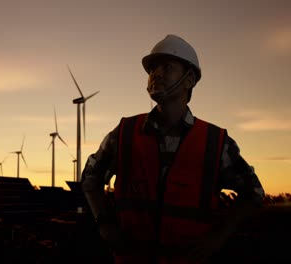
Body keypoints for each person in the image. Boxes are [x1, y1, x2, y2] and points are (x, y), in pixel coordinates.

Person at [81, 34, 265, 264]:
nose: (156, 74)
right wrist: (104, 223)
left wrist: (218, 238)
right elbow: (90, 177)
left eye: (167, 67)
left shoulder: (215, 142)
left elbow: (253, 193)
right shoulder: (125, 132)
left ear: (189, 80)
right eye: (152, 70)